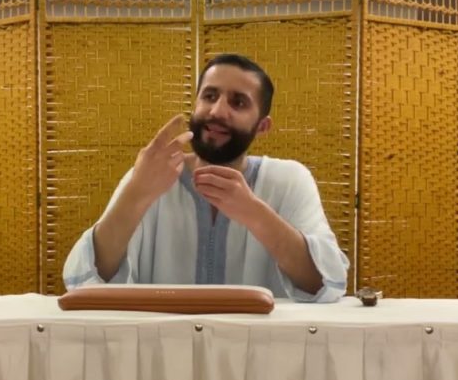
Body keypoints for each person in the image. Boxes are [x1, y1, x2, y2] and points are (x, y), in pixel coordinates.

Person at [62, 54, 348, 302]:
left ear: (262, 126)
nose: (217, 111)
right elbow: (82, 280)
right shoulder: (152, 174)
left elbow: (327, 284)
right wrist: (137, 194)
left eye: (238, 103)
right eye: (209, 96)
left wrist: (255, 214)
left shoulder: (289, 180)